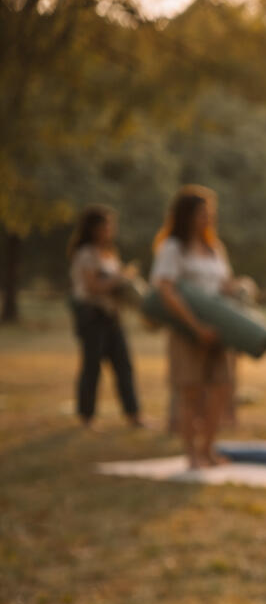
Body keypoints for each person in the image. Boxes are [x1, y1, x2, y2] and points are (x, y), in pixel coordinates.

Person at [150, 184, 240, 468]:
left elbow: (223, 284)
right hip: (187, 329)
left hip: (219, 329)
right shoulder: (172, 248)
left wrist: (237, 290)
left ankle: (208, 448)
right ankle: (191, 454)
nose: (208, 218)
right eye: (203, 213)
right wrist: (196, 325)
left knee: (221, 387)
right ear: (186, 215)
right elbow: (166, 288)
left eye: (210, 213)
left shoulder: (215, 248)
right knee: (190, 390)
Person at [67, 205, 142, 429]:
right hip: (92, 316)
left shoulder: (110, 253)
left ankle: (133, 414)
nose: (109, 230)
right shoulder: (85, 254)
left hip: (111, 316)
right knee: (92, 366)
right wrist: (121, 278)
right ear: (93, 228)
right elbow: (92, 286)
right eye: (105, 226)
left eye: (111, 225)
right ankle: (87, 417)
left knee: (124, 365)